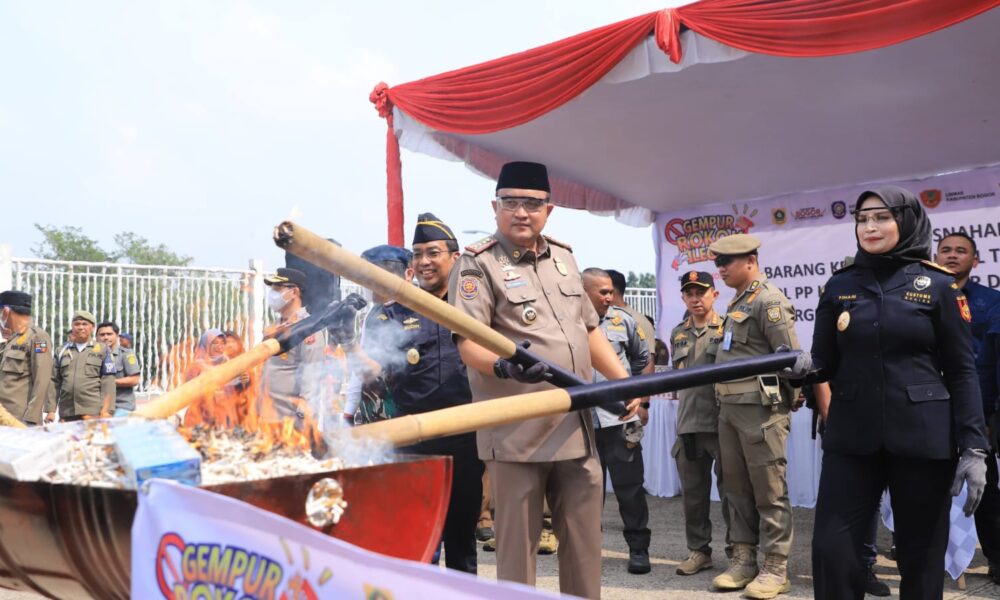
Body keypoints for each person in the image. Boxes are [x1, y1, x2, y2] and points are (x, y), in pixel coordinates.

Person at [448, 161, 639, 599]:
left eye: (531, 204)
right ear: (495, 207)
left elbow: (588, 330)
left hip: (575, 426)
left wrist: (622, 380)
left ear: (548, 210)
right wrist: (503, 366)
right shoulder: (477, 265)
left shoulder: (565, 258)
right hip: (517, 431)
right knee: (518, 552)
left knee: (585, 545)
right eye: (511, 203)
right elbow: (467, 342)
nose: (521, 212)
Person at [808, 186, 989, 600]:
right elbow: (823, 362)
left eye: (881, 217)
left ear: (905, 221)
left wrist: (975, 447)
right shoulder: (840, 285)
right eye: (862, 218)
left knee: (921, 555)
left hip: (923, 439)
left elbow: (962, 372)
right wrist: (801, 369)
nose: (869, 227)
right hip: (852, 436)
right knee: (832, 549)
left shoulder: (939, 286)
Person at [334, 214, 484, 572]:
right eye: (417, 255)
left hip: (466, 434)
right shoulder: (389, 314)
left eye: (432, 253)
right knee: (417, 541)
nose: (423, 262)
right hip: (413, 437)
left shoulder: (474, 305)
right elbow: (376, 375)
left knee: (462, 539)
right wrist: (349, 344)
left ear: (455, 257)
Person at [707, 233, 801, 598]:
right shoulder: (736, 302)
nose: (721, 270)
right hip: (729, 410)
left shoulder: (769, 300)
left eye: (726, 263)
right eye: (718, 264)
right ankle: (744, 559)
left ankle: (776, 567)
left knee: (769, 491)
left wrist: (789, 402)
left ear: (750, 260)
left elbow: (791, 358)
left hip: (761, 412)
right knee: (736, 490)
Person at [934, 232, 1000, 583]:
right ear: (934, 256)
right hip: (927, 410)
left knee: (985, 490)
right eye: (946, 250)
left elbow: (993, 365)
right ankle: (923, 556)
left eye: (962, 251)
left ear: (975, 261)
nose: (953, 256)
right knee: (925, 488)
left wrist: (990, 416)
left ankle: (997, 556)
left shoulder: (991, 302)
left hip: (977, 414)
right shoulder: (919, 299)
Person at [582, 267, 652, 574]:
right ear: (583, 292)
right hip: (581, 425)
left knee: (630, 491)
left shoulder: (623, 321)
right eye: (603, 292)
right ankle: (585, 551)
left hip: (620, 421)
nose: (610, 297)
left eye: (611, 291)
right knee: (584, 492)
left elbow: (642, 361)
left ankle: (639, 550)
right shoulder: (566, 326)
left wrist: (642, 401)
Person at [668, 271, 732, 576]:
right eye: (689, 293)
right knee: (693, 497)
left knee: (733, 494)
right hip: (689, 425)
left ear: (714, 295)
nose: (695, 299)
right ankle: (699, 551)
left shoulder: (728, 327)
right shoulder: (677, 333)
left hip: (722, 424)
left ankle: (739, 552)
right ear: (683, 297)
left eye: (701, 292)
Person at [340, 245, 413, 425]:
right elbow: (360, 370)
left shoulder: (418, 313)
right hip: (372, 416)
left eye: (374, 278)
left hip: (405, 418)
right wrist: (349, 412)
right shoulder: (373, 314)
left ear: (407, 275)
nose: (368, 285)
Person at [257, 268, 328, 429]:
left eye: (278, 288)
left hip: (291, 422)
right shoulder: (274, 328)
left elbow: (312, 374)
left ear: (294, 291)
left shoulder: (308, 329)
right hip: (268, 416)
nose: (272, 294)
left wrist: (302, 416)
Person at [49, 310, 117, 421]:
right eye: (77, 324)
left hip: (92, 412)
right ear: (72, 327)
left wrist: (107, 410)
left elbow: (108, 382)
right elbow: (54, 381)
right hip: (67, 411)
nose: (80, 327)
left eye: (84, 324)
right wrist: (51, 410)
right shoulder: (61, 350)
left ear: (93, 327)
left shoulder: (103, 350)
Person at [0, 291, 54, 425]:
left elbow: (42, 379)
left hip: (20, 417)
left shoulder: (37, 337)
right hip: (4, 416)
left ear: (6, 311)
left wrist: (32, 417)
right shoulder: (12, 340)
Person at [96, 321, 141, 412]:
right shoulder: (91, 355)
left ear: (117, 336)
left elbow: (134, 380)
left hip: (121, 406)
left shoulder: (126, 354)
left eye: (109, 334)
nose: (106, 337)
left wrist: (108, 382)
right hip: (97, 407)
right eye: (102, 335)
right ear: (96, 337)